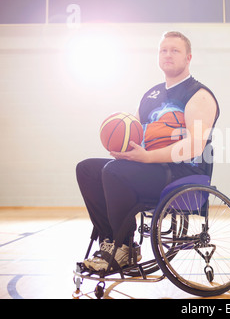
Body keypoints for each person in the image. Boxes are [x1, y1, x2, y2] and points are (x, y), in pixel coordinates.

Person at [76, 31, 219, 271]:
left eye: (175, 50)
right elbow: (135, 135)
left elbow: (195, 145)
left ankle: (125, 248)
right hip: (149, 168)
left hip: (183, 174)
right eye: (163, 50)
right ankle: (110, 242)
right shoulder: (150, 95)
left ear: (188, 57)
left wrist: (147, 157)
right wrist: (124, 148)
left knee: (115, 172)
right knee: (88, 169)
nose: (168, 55)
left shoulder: (198, 94)